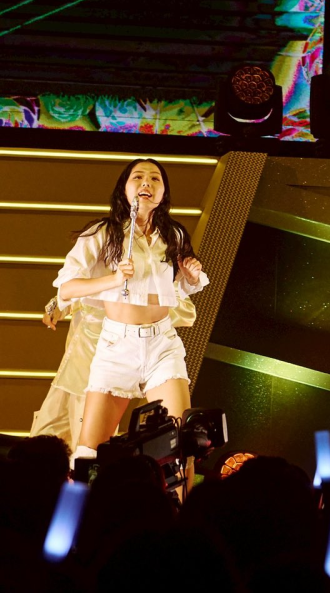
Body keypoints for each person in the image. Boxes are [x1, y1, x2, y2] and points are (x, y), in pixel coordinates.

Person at [52, 159, 207, 464]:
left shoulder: (173, 234)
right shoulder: (103, 232)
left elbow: (175, 290)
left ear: (163, 192)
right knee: (90, 453)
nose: (146, 183)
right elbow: (66, 288)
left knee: (179, 443)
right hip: (117, 345)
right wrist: (113, 279)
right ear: (124, 188)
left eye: (155, 178)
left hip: (162, 344)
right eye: (138, 177)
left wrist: (190, 277)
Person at [33, 294, 196, 448]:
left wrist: (139, 311)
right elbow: (78, 289)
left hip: (101, 370)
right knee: (42, 440)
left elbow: (186, 311)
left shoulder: (148, 277)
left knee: (88, 450)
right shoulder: (96, 274)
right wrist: (58, 304)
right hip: (70, 369)